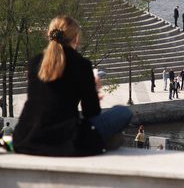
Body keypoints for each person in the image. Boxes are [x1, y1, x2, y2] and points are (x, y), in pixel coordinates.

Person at [13, 16, 132, 156]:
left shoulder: (35, 62)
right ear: (75, 38)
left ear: (49, 35)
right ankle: (104, 141)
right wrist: (92, 87)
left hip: (26, 138)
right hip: (64, 140)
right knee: (123, 112)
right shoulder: (81, 65)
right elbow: (91, 112)